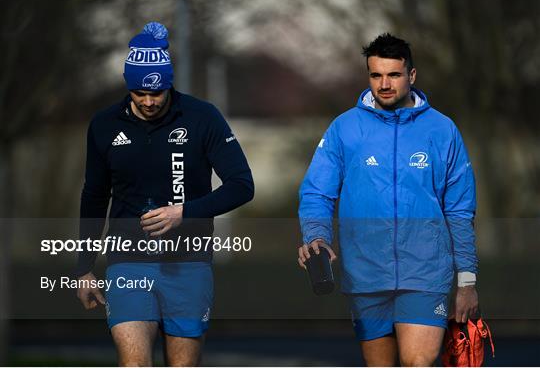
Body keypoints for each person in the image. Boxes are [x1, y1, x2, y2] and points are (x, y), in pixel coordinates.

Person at [75, 22, 254, 366]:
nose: (148, 101)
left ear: (169, 83)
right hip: (127, 260)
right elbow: (94, 196)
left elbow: (242, 185)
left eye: (156, 93)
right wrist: (83, 267)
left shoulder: (202, 117)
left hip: (188, 263)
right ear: (128, 87)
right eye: (139, 93)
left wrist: (184, 212)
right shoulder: (104, 124)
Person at [298, 33, 479, 366]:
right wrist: (316, 238)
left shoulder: (442, 130)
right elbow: (316, 193)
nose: (384, 83)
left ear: (411, 75)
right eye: (376, 75)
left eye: (393, 75)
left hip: (425, 274)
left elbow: (459, 209)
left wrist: (466, 280)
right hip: (365, 274)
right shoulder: (345, 128)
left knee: (418, 362)